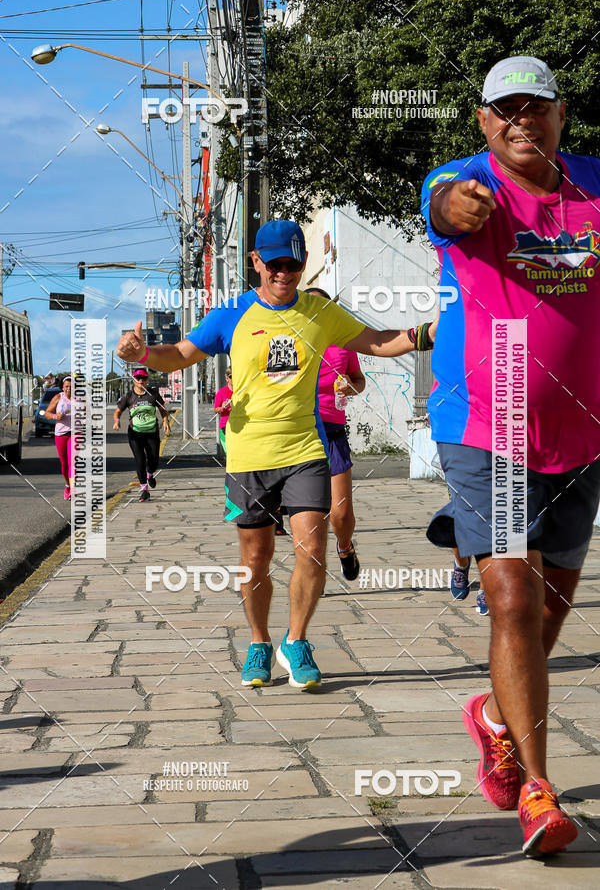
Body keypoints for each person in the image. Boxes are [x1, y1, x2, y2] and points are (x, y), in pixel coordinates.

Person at [117, 219, 435, 691]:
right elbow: (180, 355)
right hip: (248, 455)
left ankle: (297, 640)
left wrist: (430, 331)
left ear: (303, 265)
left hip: (306, 448)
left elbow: (377, 341)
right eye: (275, 264)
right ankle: (259, 643)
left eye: (293, 264)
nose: (284, 273)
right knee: (257, 556)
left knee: (313, 545)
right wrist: (141, 353)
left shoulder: (320, 313)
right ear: (257, 263)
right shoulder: (231, 314)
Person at [422, 55, 600, 855]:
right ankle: (537, 787)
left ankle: (494, 717)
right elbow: (444, 205)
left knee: (551, 608)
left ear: (562, 116)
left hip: (583, 434)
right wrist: (458, 204)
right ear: (484, 121)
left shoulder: (593, 184)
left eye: (538, 108)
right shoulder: (463, 183)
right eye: (506, 111)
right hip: (488, 428)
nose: (523, 122)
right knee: (514, 600)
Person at [307, 288, 366, 580]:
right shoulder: (292, 341)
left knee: (340, 513)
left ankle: (345, 547)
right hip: (300, 431)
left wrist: (350, 387)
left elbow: (359, 380)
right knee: (310, 515)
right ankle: (313, 571)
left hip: (332, 430)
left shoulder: (344, 343)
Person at [113, 368, 171, 502]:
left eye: (143, 378)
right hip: (135, 433)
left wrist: (166, 421)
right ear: (133, 380)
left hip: (152, 432)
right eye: (138, 378)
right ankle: (144, 489)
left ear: (147, 380)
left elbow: (163, 410)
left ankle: (150, 474)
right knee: (139, 460)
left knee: (154, 460)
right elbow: (117, 412)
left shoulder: (153, 394)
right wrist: (116, 421)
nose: (140, 380)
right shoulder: (129, 396)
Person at [42, 375, 72, 500]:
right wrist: (55, 416)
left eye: (71, 387)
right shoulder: (58, 397)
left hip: (76, 433)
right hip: (61, 434)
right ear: (62, 387)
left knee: (73, 462)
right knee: (64, 463)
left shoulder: (81, 399)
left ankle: (74, 489)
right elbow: (47, 413)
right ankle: (67, 485)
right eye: (66, 387)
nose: (69, 389)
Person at [214, 367, 233, 453]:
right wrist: (222, 408)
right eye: (232, 376)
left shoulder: (241, 391)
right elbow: (216, 409)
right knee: (229, 452)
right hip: (225, 426)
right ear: (227, 379)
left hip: (240, 425)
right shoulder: (222, 392)